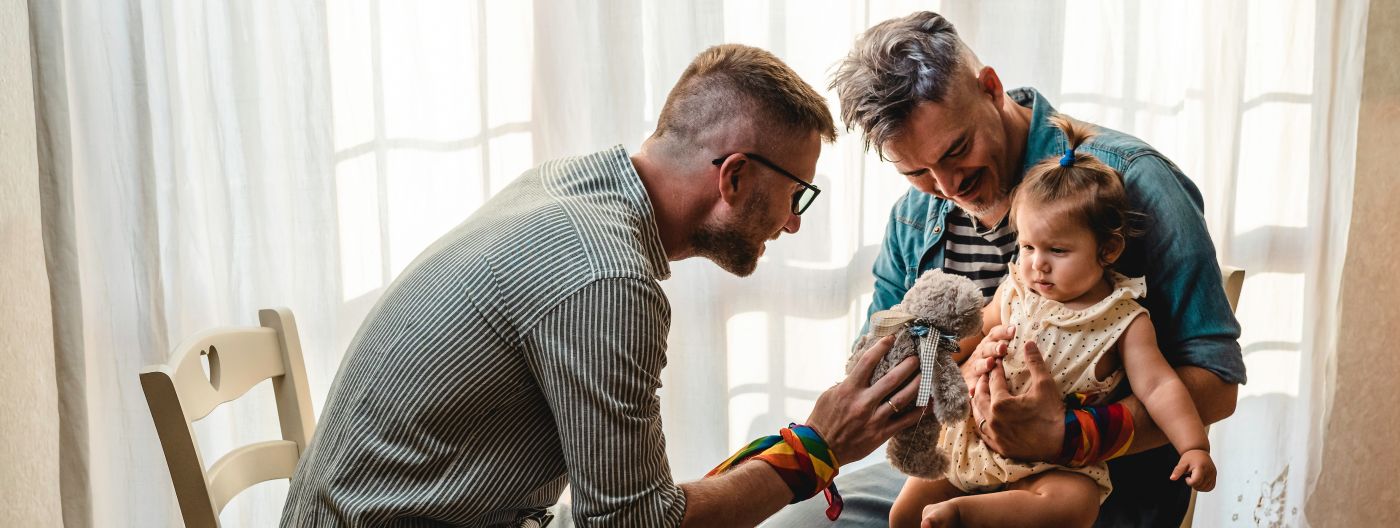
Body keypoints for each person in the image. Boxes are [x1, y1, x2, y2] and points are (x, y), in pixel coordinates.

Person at [280, 44, 927, 528]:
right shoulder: (608, 277)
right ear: (733, 179)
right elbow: (630, 525)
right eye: (796, 195)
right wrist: (814, 451)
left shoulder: (564, 186)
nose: (791, 222)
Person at [764, 11, 1244, 527]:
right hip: (959, 455)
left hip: (1094, 484)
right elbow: (884, 370)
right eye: (918, 171)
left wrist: (1067, 433)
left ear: (991, 88)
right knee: (793, 522)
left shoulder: (1133, 182)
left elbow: (1216, 382)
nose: (949, 187)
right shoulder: (913, 215)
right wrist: (955, 375)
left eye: (957, 150)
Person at [889, 115, 1217, 528]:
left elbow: (1159, 385)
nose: (1037, 265)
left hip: (1056, 463)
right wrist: (962, 368)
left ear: (1108, 249)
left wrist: (1193, 446)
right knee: (903, 514)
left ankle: (964, 515)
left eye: (1057, 250)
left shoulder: (1123, 321)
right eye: (1027, 246)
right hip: (973, 440)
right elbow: (969, 333)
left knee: (1075, 506)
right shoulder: (1015, 292)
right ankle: (943, 513)